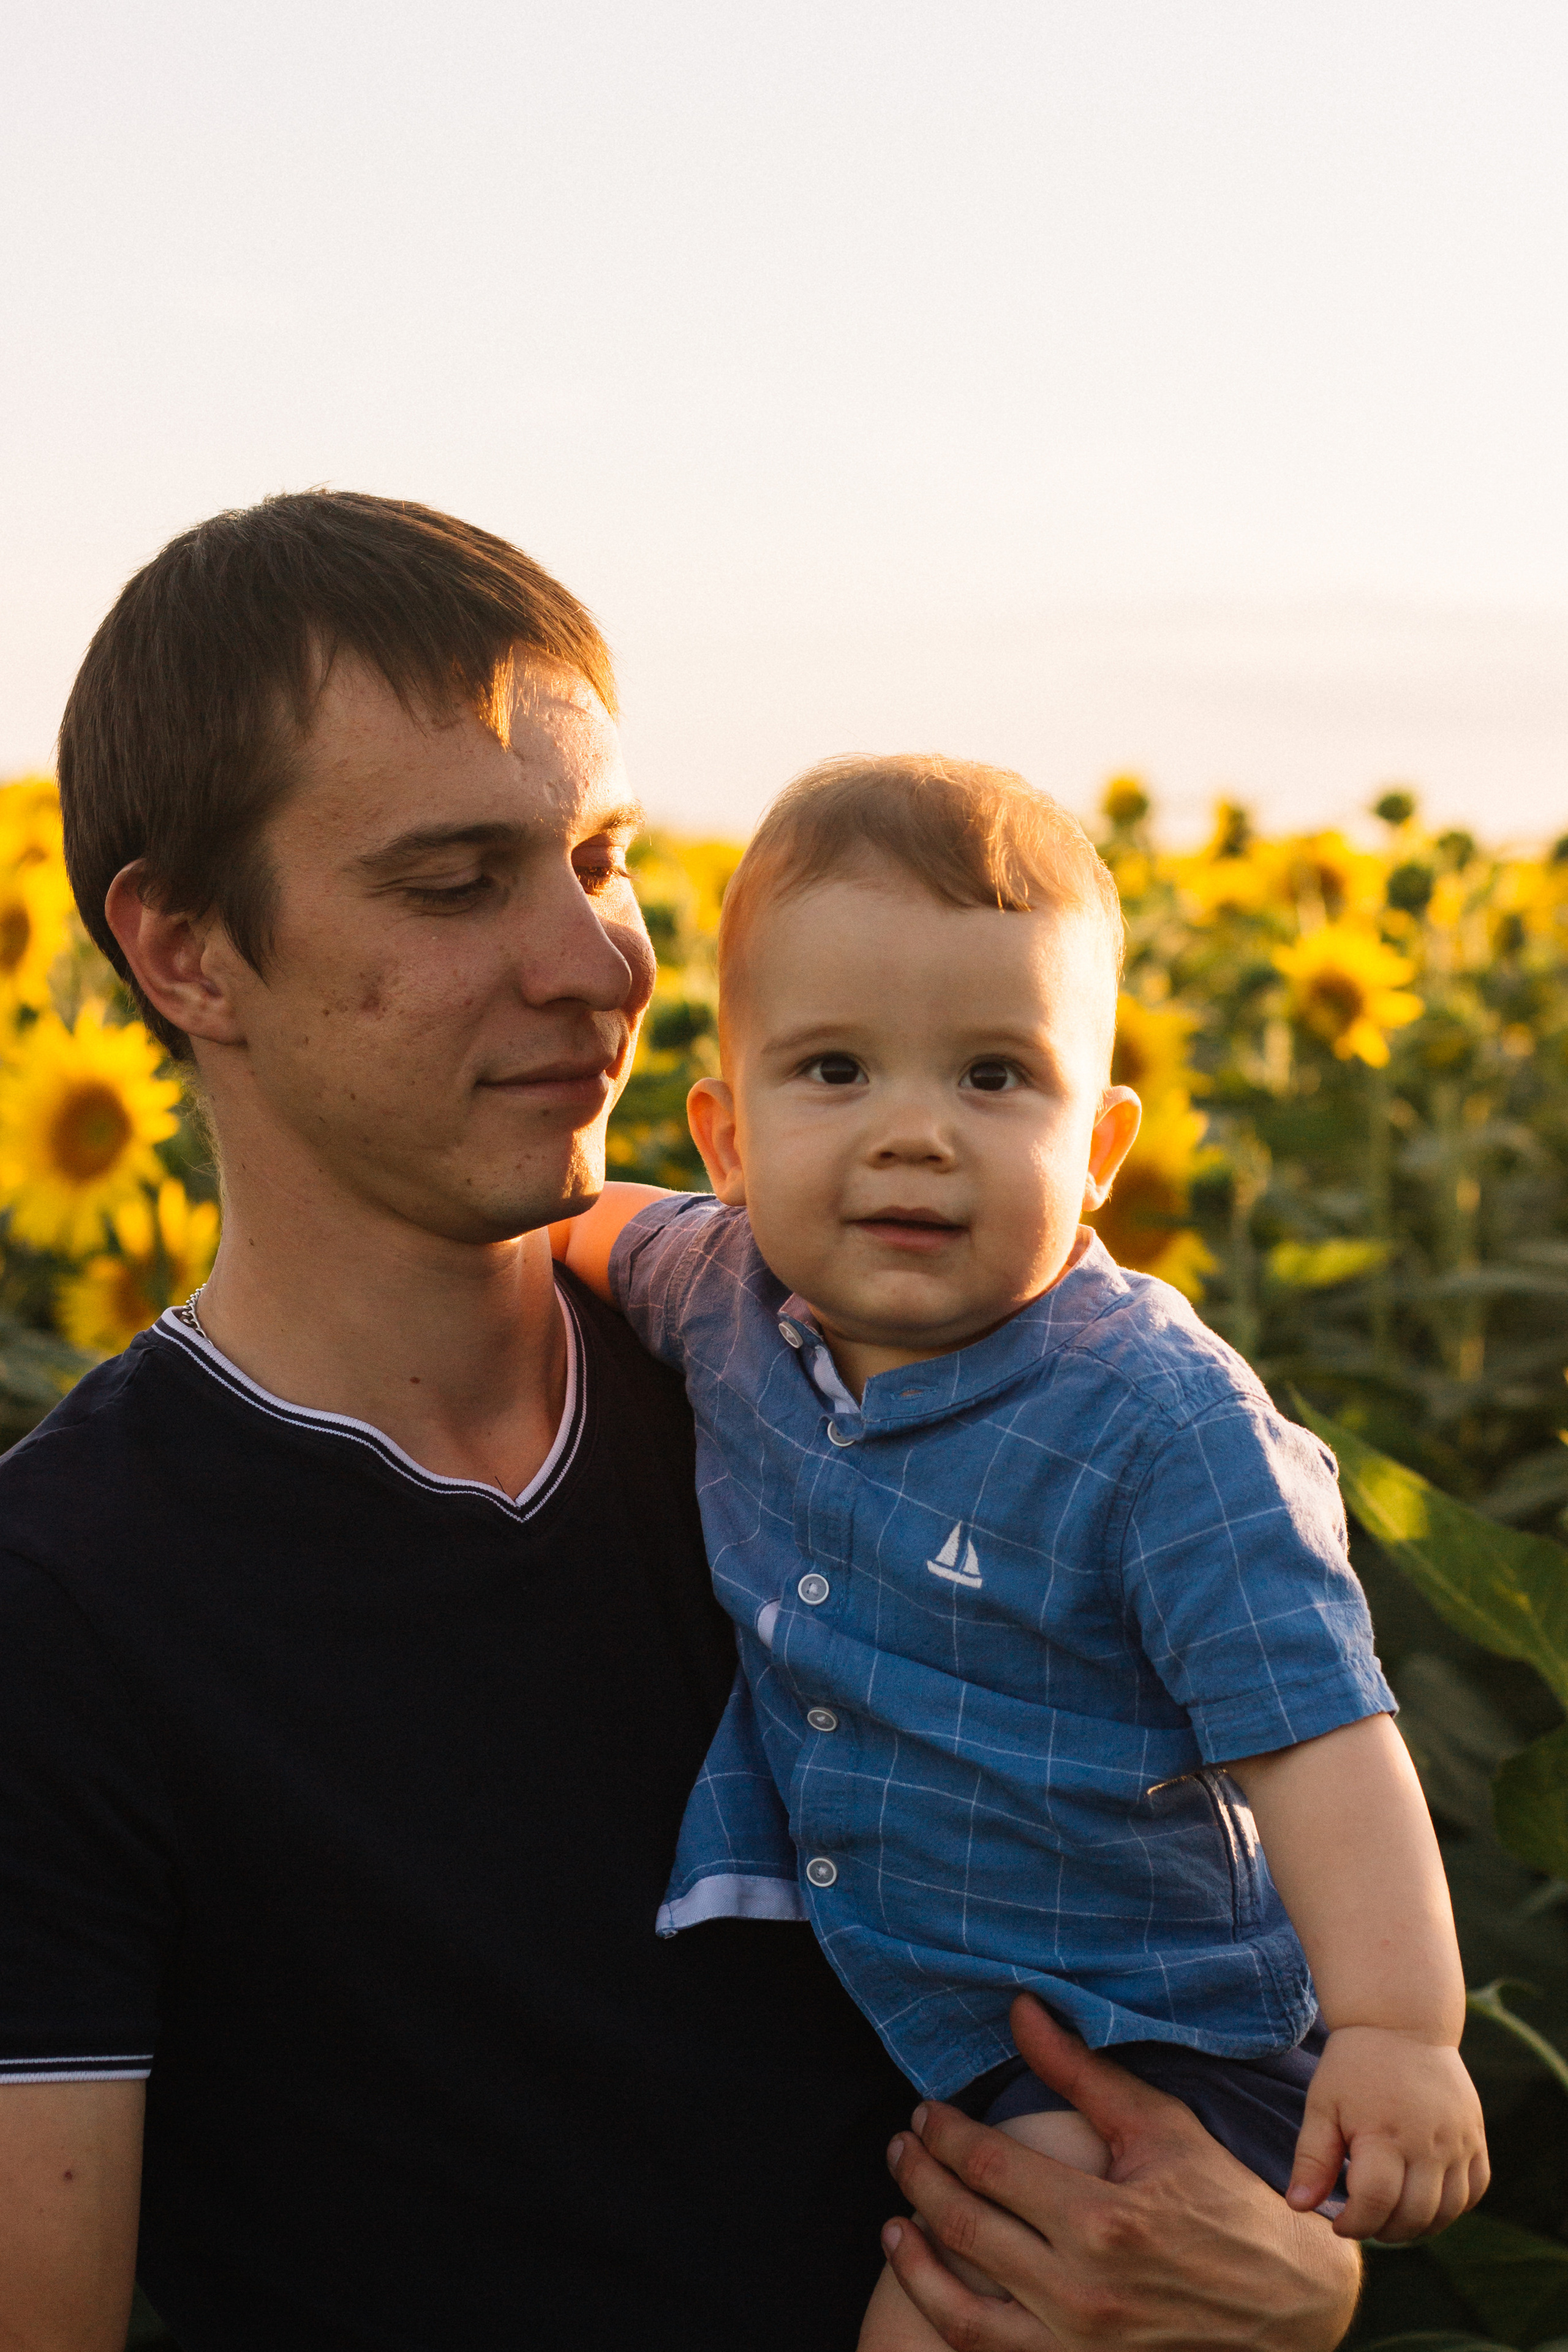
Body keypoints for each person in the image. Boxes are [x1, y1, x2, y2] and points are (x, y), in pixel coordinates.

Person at [0, 492, 1362, 2352]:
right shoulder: (63, 1607)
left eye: (604, 857)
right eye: (456, 880)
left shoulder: (859, 1372)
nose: (603, 962)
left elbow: (1242, 1929)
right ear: (184, 955)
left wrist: (1286, 2276)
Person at [553, 755, 1488, 2349]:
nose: (914, 1136)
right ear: (726, 1133)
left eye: (995, 1078)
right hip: (954, 2026)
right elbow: (577, 1230)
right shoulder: (716, 1293)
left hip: (1151, 2041)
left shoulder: (1164, 1423)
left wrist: (1402, 2032)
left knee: (954, 2323)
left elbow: (1320, 1741)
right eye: (835, 1071)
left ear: (1103, 1145)